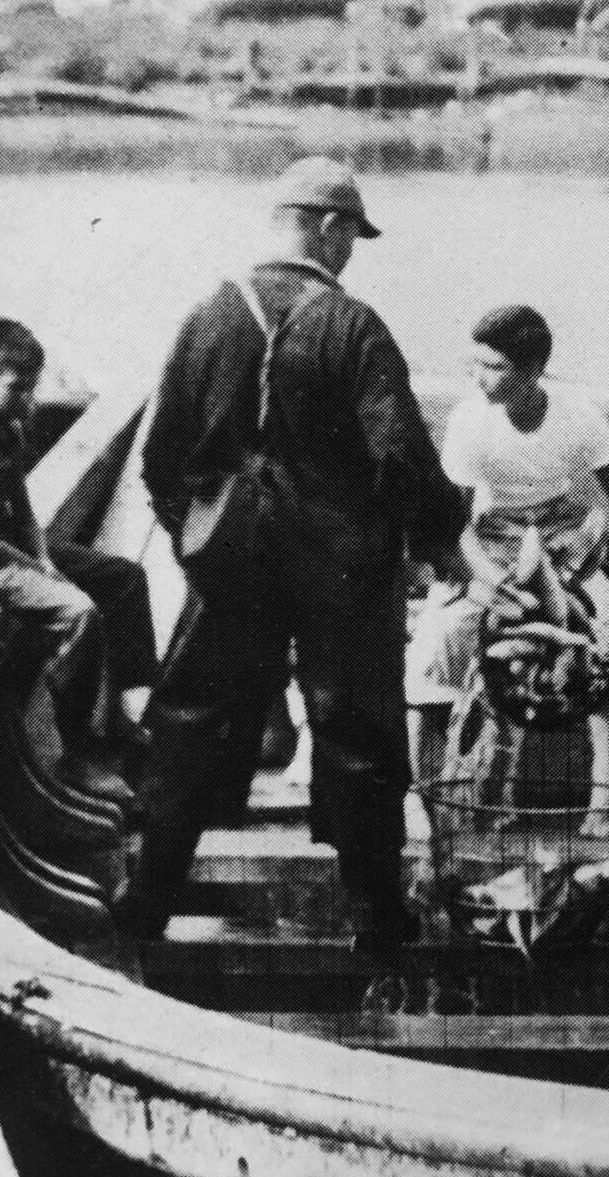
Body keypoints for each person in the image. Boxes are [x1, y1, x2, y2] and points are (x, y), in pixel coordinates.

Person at [123, 157, 466, 952]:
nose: (351, 252)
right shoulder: (353, 325)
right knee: (357, 732)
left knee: (190, 719)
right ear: (329, 227)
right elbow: (402, 456)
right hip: (338, 572)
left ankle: (146, 906)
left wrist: (196, 538)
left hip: (232, 564)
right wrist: (437, 539)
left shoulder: (209, 313)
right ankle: (379, 919)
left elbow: (160, 455)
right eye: (351, 235)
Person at [410, 304, 609, 834]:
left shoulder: (578, 415)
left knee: (603, 644)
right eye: (473, 364)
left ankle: (603, 794)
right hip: (493, 540)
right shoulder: (468, 420)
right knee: (436, 644)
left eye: (493, 368)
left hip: (568, 538)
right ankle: (419, 796)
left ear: (532, 370)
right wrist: (483, 577)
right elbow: (455, 520)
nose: (479, 379)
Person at [0, 318, 158, 802]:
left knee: (123, 578)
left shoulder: (7, 426)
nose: (27, 402)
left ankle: (120, 707)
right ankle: (78, 752)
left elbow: (23, 508)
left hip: (8, 549)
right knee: (78, 612)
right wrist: (38, 571)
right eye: (16, 388)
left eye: (31, 389)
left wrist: (45, 558)